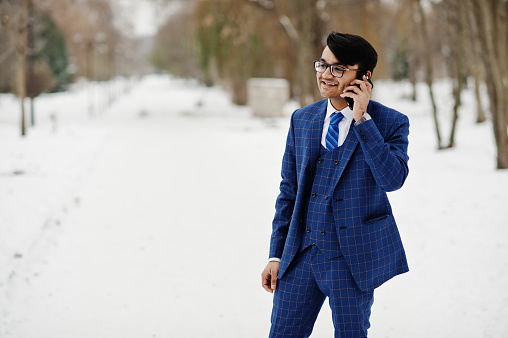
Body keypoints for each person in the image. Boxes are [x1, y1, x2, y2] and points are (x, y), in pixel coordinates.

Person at [261, 31, 410, 337]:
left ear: (363, 78)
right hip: (300, 255)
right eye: (323, 65)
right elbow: (288, 192)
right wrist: (276, 254)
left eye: (338, 68)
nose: (326, 75)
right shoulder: (302, 120)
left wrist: (362, 121)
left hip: (351, 260)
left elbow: (392, 180)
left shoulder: (390, 122)